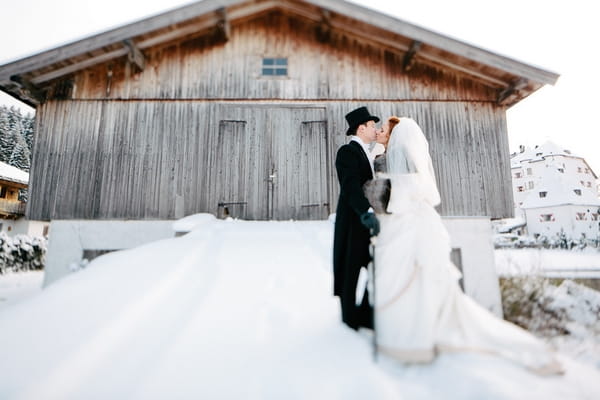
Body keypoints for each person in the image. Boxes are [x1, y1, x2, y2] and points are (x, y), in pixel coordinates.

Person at [368, 117, 563, 375]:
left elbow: (416, 184)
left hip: (412, 220)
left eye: (383, 129)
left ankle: (421, 332)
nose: (379, 131)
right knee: (410, 276)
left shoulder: (401, 152)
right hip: (401, 221)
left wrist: (389, 192)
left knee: (421, 274)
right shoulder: (388, 153)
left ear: (395, 134)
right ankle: (414, 329)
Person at [333, 106, 381, 331]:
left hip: (364, 218)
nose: (375, 129)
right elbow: (350, 186)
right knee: (350, 266)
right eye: (372, 126)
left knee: (371, 265)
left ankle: (362, 312)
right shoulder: (347, 152)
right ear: (361, 128)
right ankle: (349, 318)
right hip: (353, 219)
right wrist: (366, 212)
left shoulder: (366, 152)